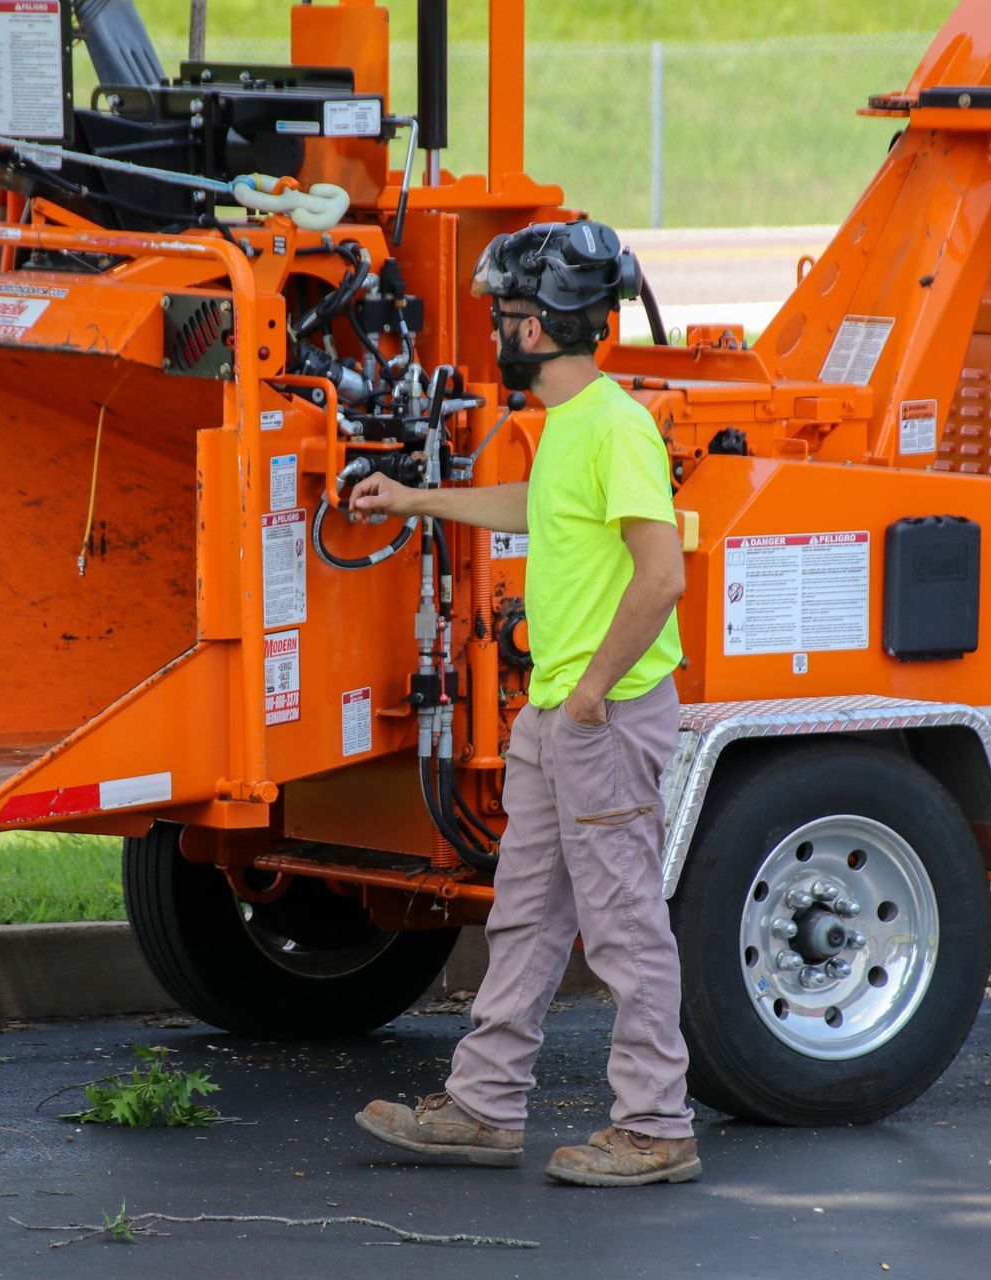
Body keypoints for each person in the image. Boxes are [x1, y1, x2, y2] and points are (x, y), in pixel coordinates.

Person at [349, 219, 699, 1187]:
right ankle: (484, 1104)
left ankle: (658, 1125)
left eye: (504, 317)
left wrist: (589, 690)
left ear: (541, 328)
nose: (496, 333)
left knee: (624, 925)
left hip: (602, 714)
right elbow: (533, 510)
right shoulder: (570, 428)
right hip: (556, 716)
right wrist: (417, 500)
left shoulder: (618, 424)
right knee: (526, 916)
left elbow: (662, 573)